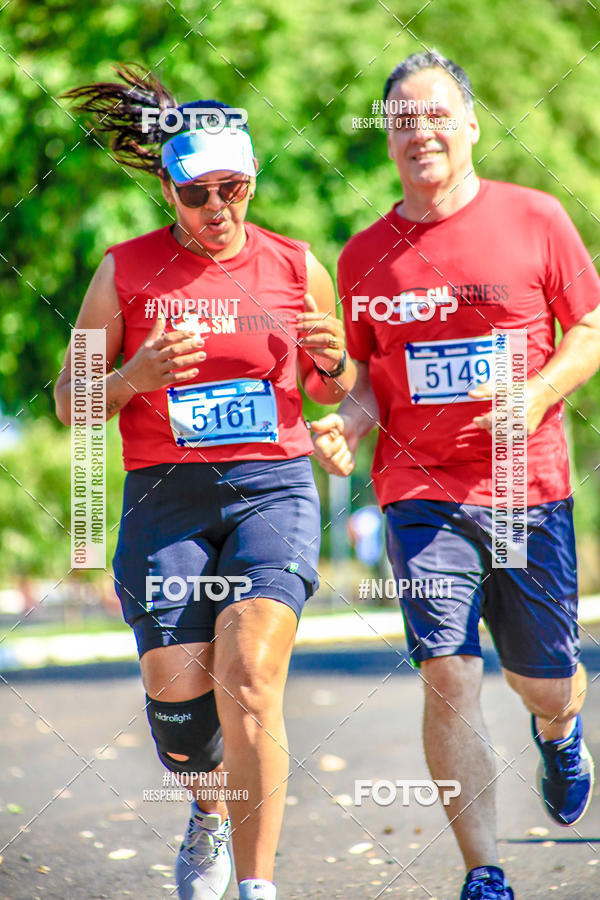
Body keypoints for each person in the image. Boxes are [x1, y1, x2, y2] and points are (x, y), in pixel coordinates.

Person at [54, 64, 355, 900]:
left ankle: (257, 886)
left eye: (235, 188)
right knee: (181, 711)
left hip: (272, 488)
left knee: (251, 672)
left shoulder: (297, 265)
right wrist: (134, 376)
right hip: (166, 499)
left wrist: (332, 361)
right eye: (198, 194)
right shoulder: (124, 273)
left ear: (253, 181)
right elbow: (68, 402)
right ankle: (208, 809)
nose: (218, 209)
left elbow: (328, 385)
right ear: (167, 188)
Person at [311, 51, 600, 900]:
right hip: (419, 488)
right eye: (402, 122)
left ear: (471, 125)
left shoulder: (535, 218)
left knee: (541, 679)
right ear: (389, 143)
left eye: (437, 116)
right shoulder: (364, 257)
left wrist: (541, 389)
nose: (420, 133)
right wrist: (344, 424)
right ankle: (485, 871)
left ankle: (561, 729)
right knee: (447, 668)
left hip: (525, 486)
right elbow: (365, 380)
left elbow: (589, 326)